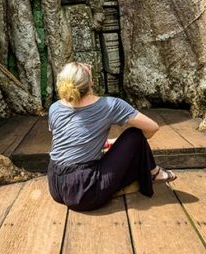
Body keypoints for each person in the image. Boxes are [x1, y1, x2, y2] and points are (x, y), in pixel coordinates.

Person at [47, 60, 176, 212]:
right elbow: (153, 128)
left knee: (120, 145)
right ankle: (154, 172)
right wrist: (136, 145)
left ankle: (152, 172)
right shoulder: (110, 105)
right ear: (91, 83)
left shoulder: (55, 107)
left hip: (55, 184)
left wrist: (109, 143)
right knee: (135, 135)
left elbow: (70, 139)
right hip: (83, 192)